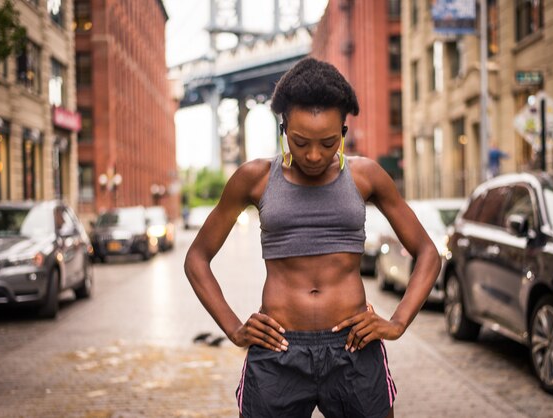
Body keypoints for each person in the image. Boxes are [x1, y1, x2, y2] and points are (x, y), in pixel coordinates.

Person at [184, 57, 440, 418]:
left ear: (344, 133)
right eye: (301, 142)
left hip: (354, 348)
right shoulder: (254, 178)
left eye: (328, 142)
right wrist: (234, 328)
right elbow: (196, 258)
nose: (315, 155)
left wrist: (397, 323)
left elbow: (428, 252)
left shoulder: (366, 176)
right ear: (284, 128)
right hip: (278, 351)